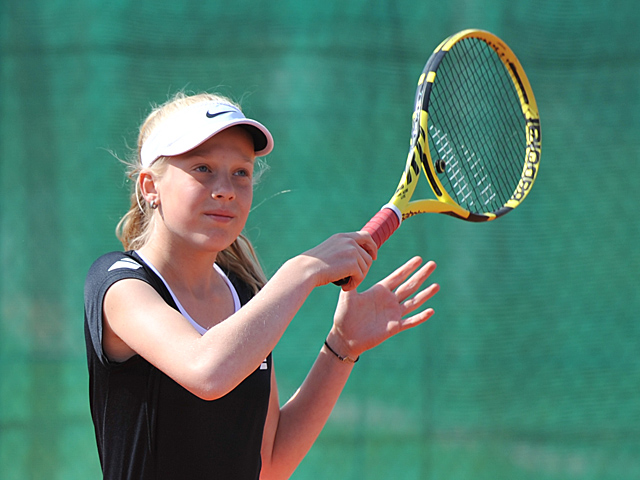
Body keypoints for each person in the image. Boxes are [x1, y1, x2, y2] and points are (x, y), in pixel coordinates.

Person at [84, 91, 440, 480]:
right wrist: (302, 270)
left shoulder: (245, 293)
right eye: (202, 168)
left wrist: (342, 345)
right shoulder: (119, 284)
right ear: (150, 187)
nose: (225, 189)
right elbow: (206, 372)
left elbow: (269, 464)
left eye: (241, 172)